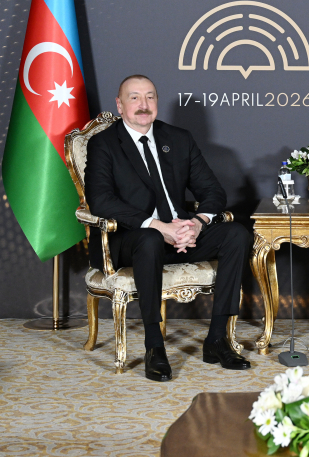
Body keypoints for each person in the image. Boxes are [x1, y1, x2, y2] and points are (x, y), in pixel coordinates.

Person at [84, 74, 251, 381]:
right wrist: (159, 227)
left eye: (150, 97)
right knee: (149, 239)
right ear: (119, 105)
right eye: (134, 97)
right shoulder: (103, 144)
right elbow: (101, 201)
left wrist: (197, 224)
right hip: (130, 239)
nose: (143, 105)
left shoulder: (178, 138)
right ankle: (154, 347)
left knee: (236, 234)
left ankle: (217, 339)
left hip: (182, 234)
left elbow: (213, 192)